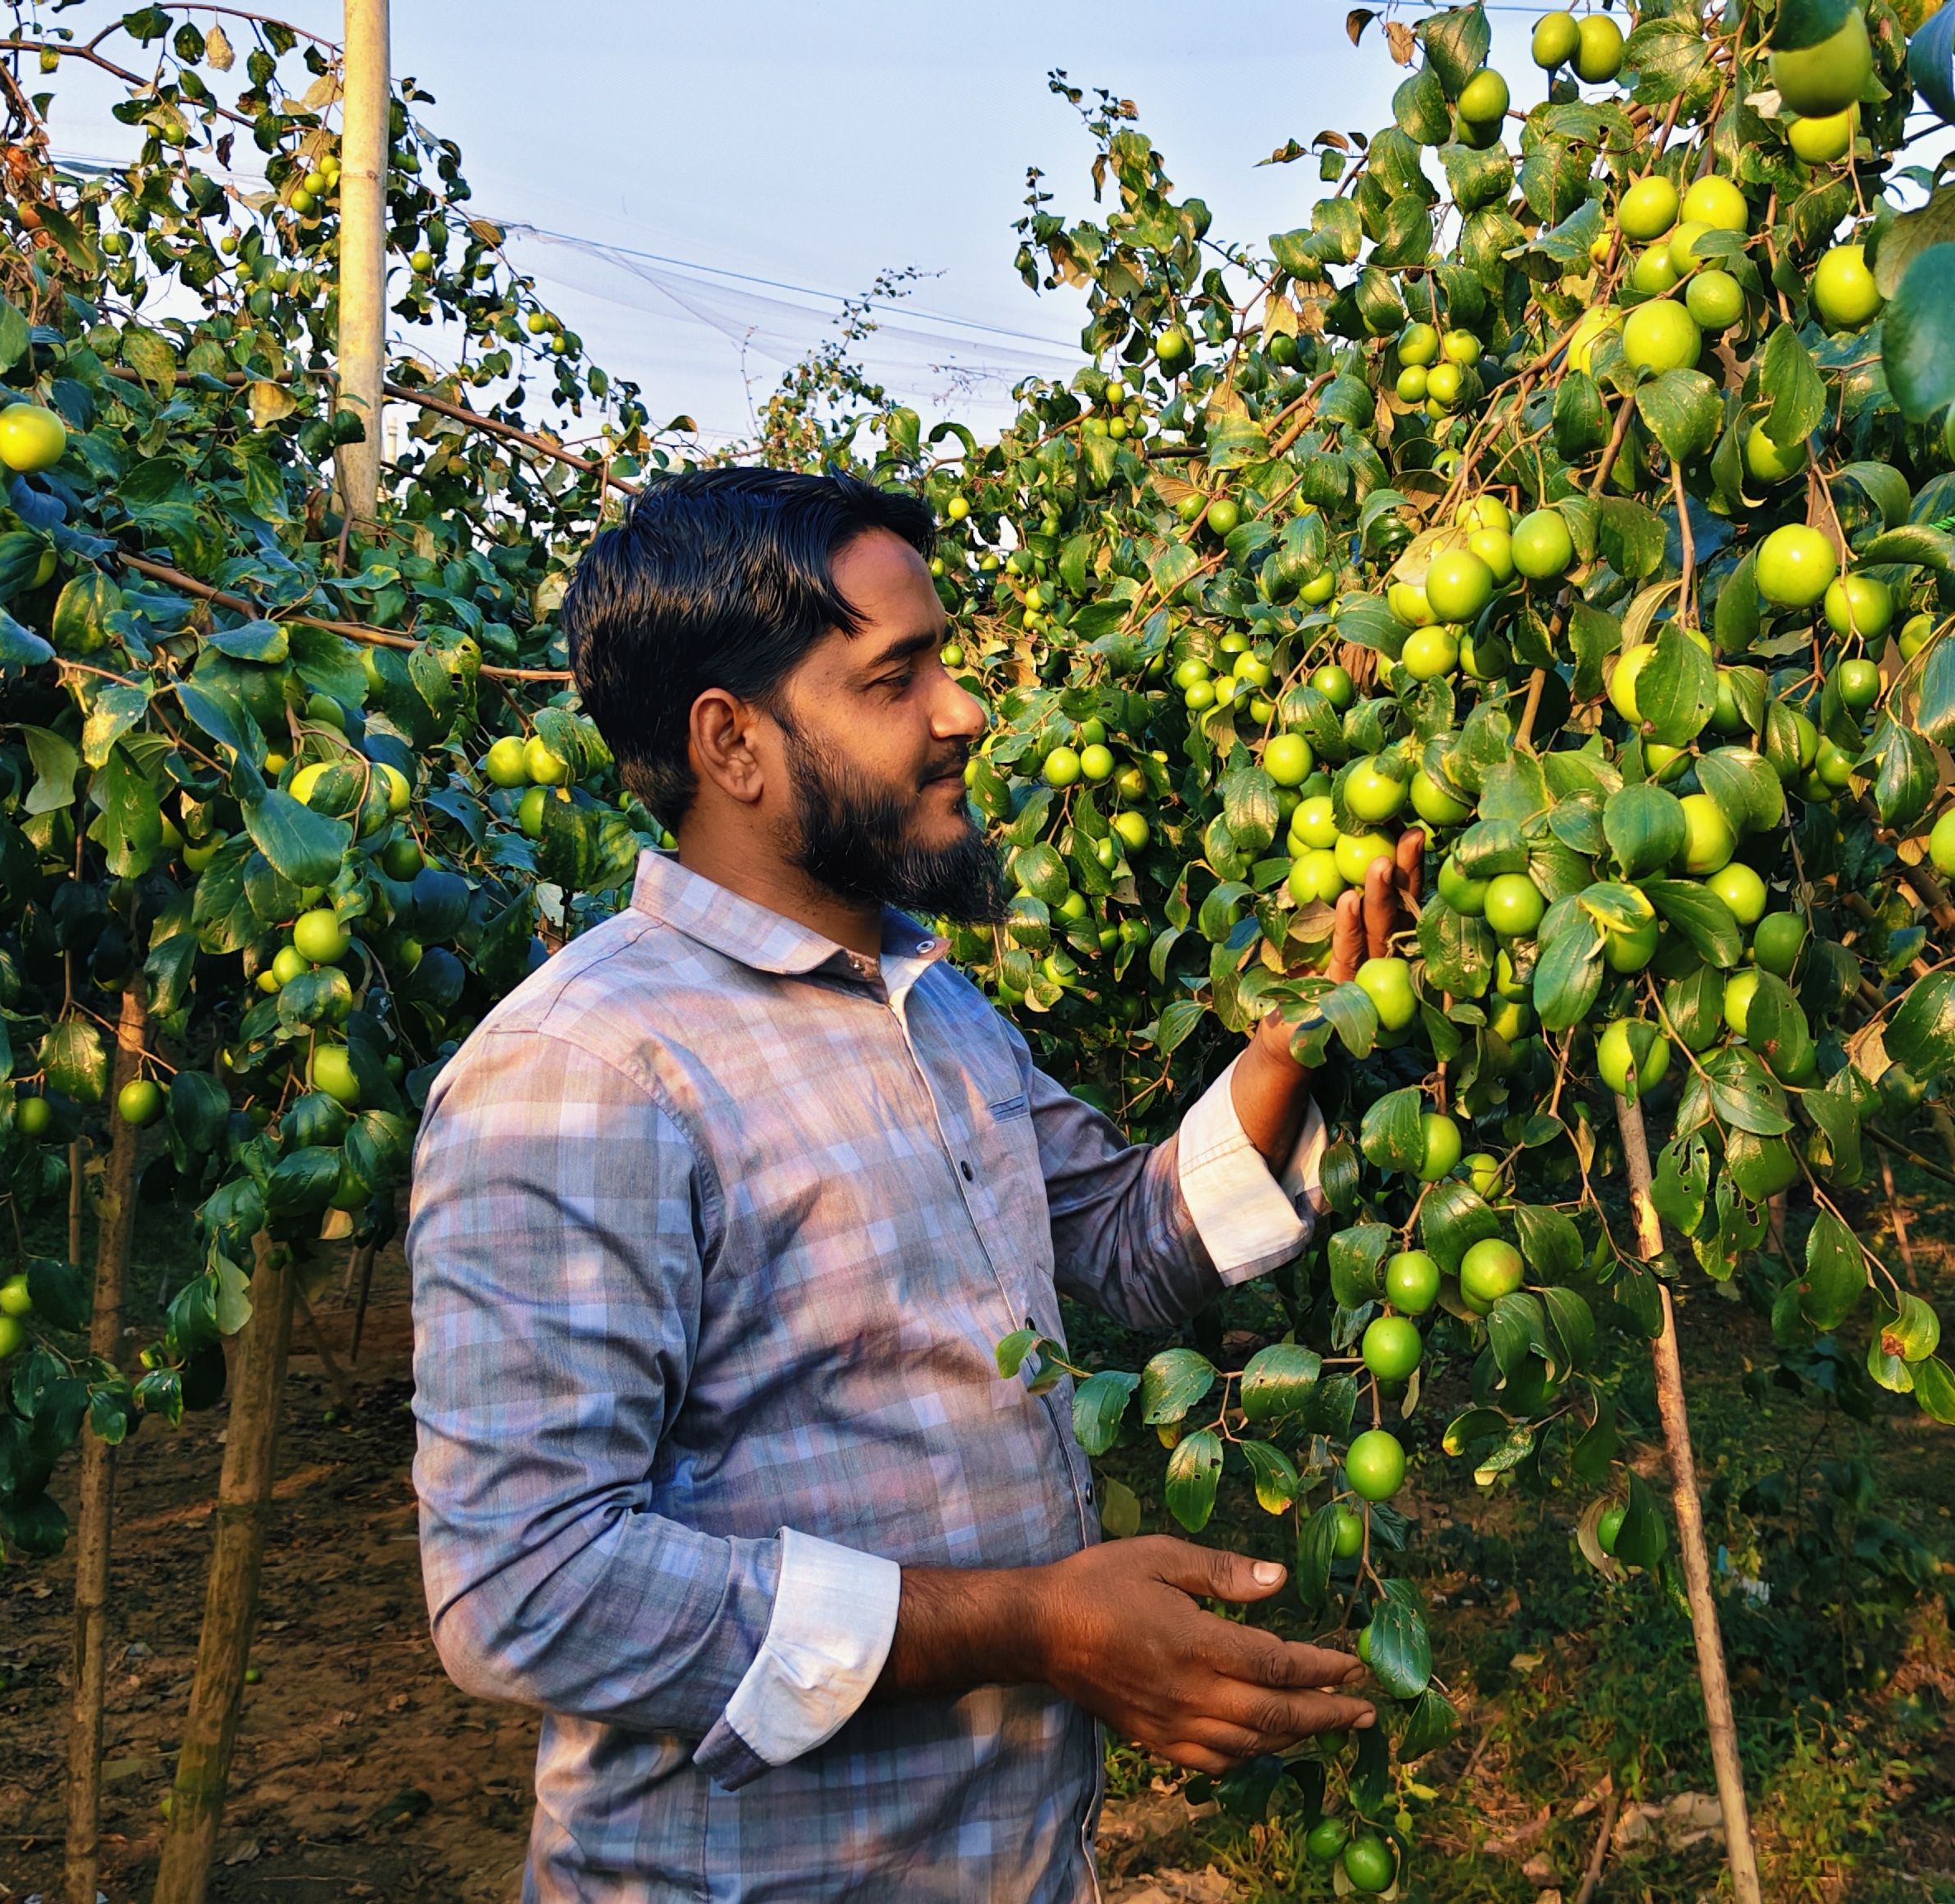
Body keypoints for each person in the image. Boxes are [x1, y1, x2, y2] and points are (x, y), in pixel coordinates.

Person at [407, 466, 1416, 1901]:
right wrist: (1033, 1625)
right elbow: (528, 1588)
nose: (967, 711)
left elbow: (1122, 1241)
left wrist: (1290, 1042)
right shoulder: (587, 1074)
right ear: (733, 743)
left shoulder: (931, 1003)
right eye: (898, 679)